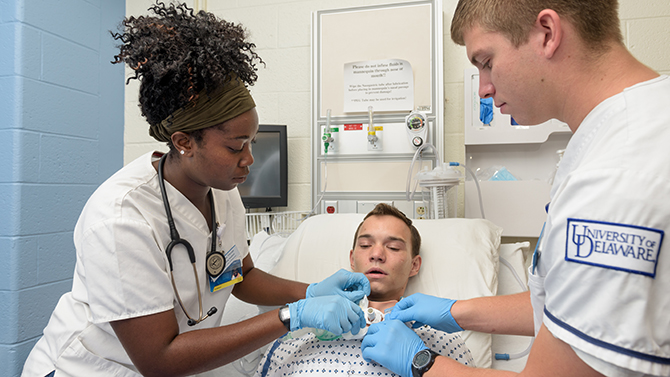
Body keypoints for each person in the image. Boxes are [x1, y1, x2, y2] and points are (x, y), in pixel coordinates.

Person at [21, 3, 370, 377]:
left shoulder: (220, 189)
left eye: (251, 142)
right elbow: (160, 359)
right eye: (236, 147)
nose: (249, 159)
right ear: (184, 142)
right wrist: (290, 316)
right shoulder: (121, 218)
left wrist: (311, 292)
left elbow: (240, 276)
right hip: (91, 370)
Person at [361, 1, 670, 377]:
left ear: (547, 33)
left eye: (486, 62)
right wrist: (456, 311)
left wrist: (421, 362)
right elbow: (573, 303)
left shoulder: (614, 175)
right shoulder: (632, 128)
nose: (484, 90)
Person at [254, 203, 474, 377]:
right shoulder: (300, 335)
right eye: (366, 245)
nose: (376, 254)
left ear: (414, 265)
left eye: (393, 247)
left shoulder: (440, 341)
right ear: (352, 259)